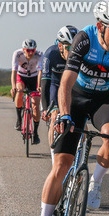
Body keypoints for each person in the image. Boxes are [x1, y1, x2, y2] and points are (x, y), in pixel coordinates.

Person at [31, 0, 109, 216]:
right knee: (61, 166)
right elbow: (66, 83)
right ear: (100, 26)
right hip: (77, 98)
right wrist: (65, 115)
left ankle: (96, 182)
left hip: (104, 100)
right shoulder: (84, 39)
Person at [40, 25, 79, 160]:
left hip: (72, 87)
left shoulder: (80, 54)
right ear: (60, 46)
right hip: (55, 85)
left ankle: (79, 157)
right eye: (68, 47)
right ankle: (53, 156)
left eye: (74, 47)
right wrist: (45, 109)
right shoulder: (51, 53)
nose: (72, 51)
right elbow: (45, 83)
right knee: (55, 115)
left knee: (81, 122)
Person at [11, 39, 42, 144]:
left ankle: (36, 133)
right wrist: (13, 87)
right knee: (19, 91)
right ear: (23, 50)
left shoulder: (39, 55)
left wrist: (39, 86)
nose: (30, 53)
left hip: (34, 78)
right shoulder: (17, 54)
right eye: (28, 50)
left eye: (32, 50)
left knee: (36, 105)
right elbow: (14, 72)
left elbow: (41, 71)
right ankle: (19, 119)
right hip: (21, 77)